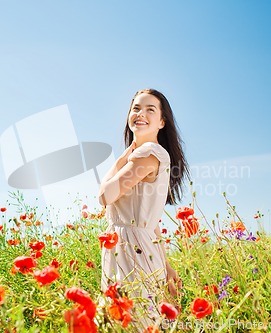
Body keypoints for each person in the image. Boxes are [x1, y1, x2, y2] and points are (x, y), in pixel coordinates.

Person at [98, 88, 190, 328]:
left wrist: (120, 161)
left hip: (131, 249)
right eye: (136, 108)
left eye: (150, 109)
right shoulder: (144, 155)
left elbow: (104, 195)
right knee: (134, 320)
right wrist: (167, 265)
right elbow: (152, 222)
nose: (140, 114)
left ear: (162, 121)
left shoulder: (149, 155)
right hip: (136, 245)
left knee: (134, 321)